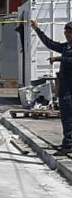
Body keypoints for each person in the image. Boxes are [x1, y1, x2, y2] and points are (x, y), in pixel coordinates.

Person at [30, 20, 72, 156]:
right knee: (65, 116)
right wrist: (37, 30)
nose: (67, 35)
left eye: (69, 32)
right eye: (66, 32)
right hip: (65, 85)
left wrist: (59, 59)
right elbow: (51, 44)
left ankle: (69, 144)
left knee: (68, 116)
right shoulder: (67, 47)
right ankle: (68, 142)